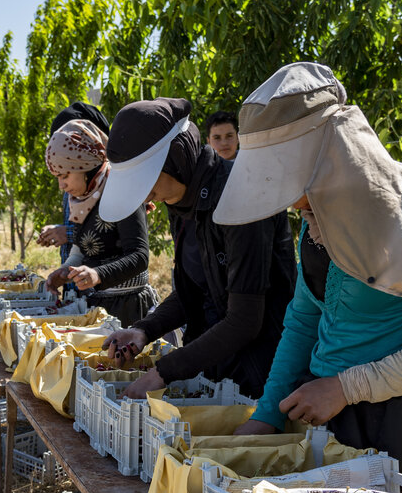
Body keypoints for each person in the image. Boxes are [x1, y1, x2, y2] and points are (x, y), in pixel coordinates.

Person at [216, 62, 402, 486]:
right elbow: (304, 318)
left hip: (401, 425)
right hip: (330, 418)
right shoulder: (315, 216)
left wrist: (345, 388)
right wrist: (267, 414)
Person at [99, 98, 296, 399]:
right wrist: (145, 330)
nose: (143, 193)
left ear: (175, 158)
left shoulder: (239, 196)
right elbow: (197, 289)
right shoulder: (181, 199)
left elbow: (244, 321)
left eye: (146, 179)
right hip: (216, 371)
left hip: (260, 377)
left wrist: (164, 371)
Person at [42, 119, 159, 326]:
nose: (62, 185)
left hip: (128, 309)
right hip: (98, 306)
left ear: (84, 165)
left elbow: (139, 256)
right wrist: (65, 272)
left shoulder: (122, 191)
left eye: (65, 175)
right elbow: (80, 249)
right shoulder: (82, 198)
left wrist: (97, 274)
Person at [37, 103, 111, 262]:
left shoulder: (113, 190)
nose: (61, 185)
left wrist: (68, 234)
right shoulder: (75, 188)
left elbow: (115, 238)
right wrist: (59, 231)